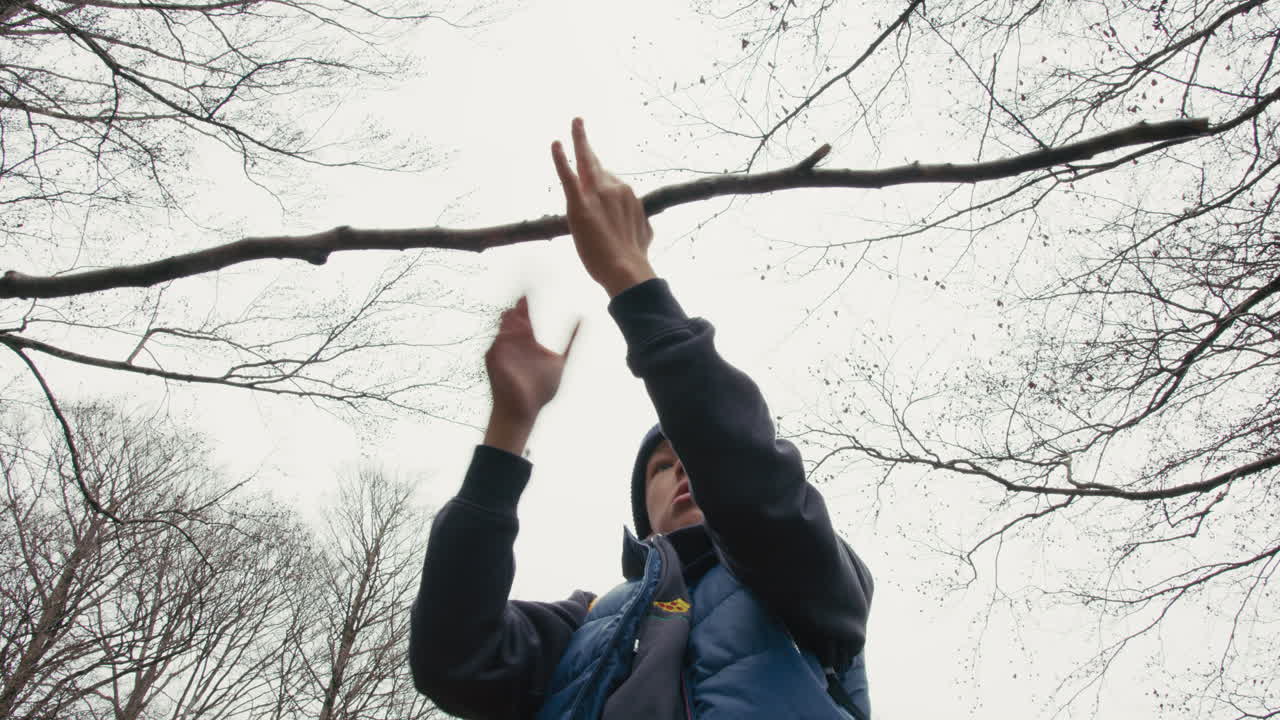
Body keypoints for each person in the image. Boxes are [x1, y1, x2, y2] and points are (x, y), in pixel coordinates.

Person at [409, 118, 874, 719]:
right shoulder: (585, 623)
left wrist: (634, 280)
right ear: (643, 509)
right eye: (662, 467)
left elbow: (756, 493)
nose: (685, 474)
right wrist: (508, 431)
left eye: (692, 458)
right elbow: (453, 660)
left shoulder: (813, 579)